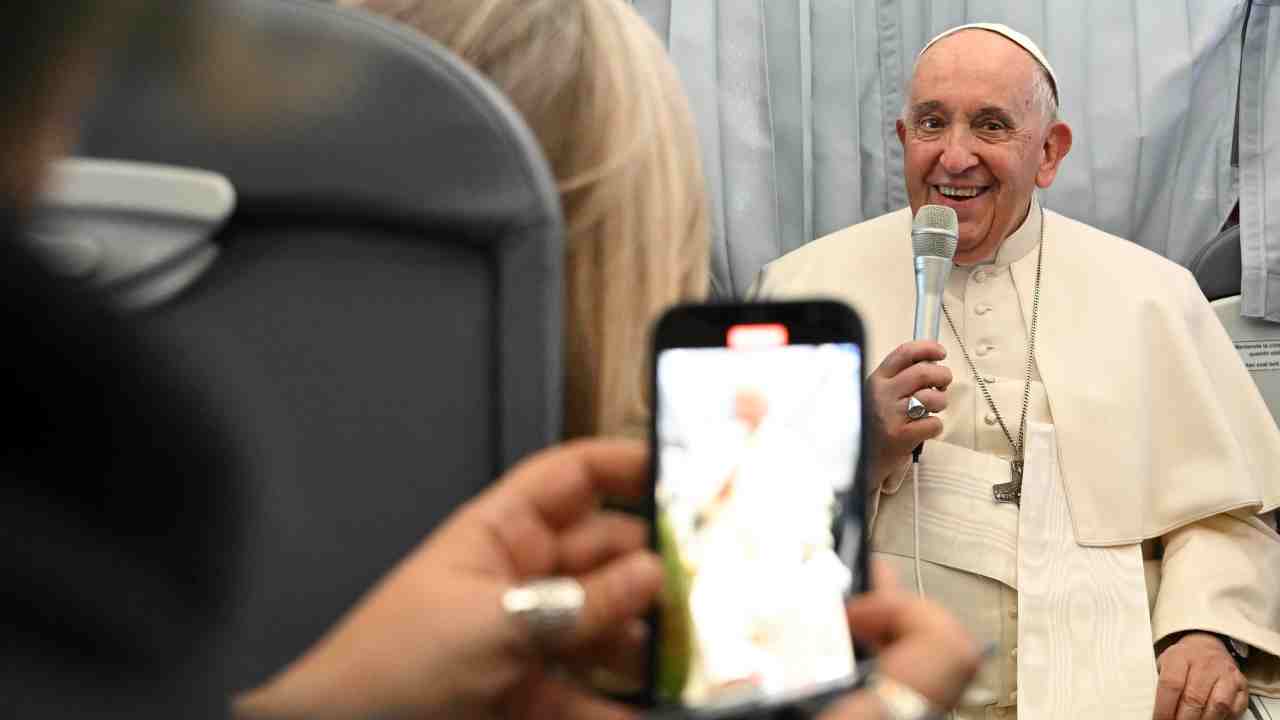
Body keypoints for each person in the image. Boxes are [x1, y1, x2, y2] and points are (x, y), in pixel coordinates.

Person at [757, 22, 1280, 720]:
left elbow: (1224, 513)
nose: (954, 155)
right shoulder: (802, 292)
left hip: (1109, 692)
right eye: (931, 123)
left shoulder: (1150, 293)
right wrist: (859, 447)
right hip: (882, 694)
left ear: (1049, 153)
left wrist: (1203, 631)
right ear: (901, 137)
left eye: (991, 125)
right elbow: (735, 538)